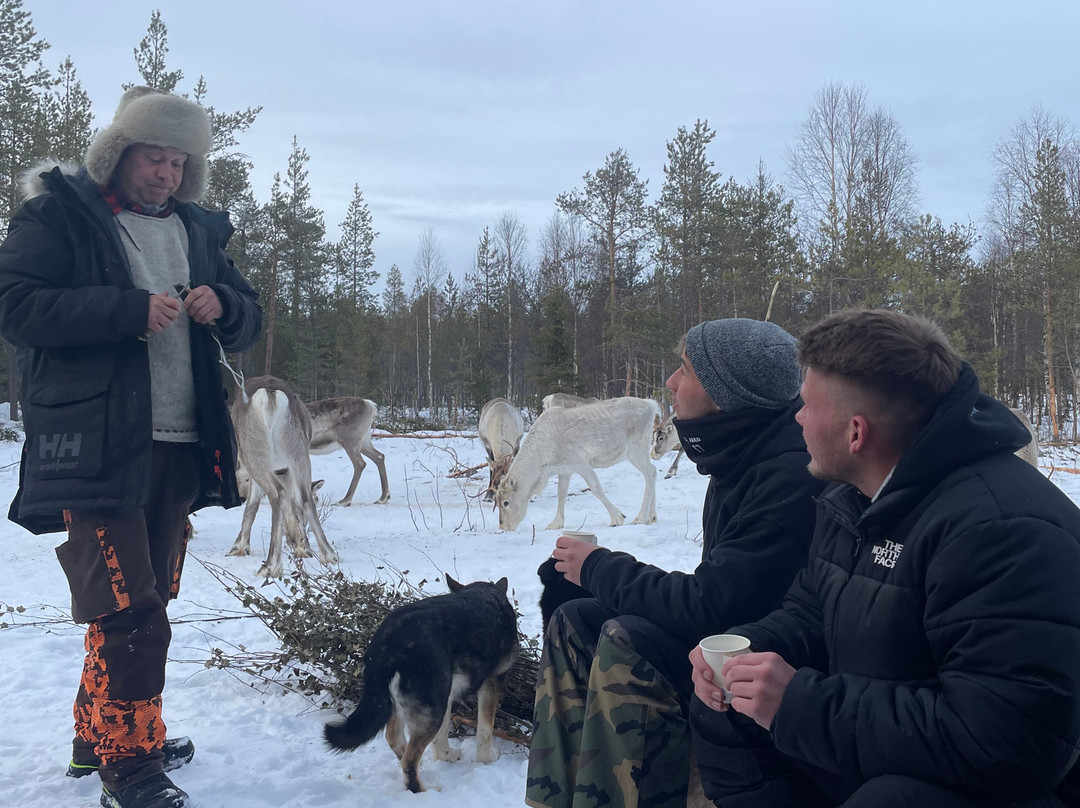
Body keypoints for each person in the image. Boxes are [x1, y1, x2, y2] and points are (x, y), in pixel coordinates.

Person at [688, 309, 1080, 808]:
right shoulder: (852, 498)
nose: (797, 418)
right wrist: (746, 653)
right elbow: (811, 611)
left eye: (806, 406)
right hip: (883, 737)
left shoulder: (1003, 533)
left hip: (996, 782)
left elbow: (1004, 743)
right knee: (725, 709)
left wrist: (800, 704)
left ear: (856, 433)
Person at [0, 87, 262, 808]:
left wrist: (227, 306)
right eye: (155, 157)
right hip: (95, 448)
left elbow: (249, 319)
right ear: (118, 154)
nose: (167, 175)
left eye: (180, 162)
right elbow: (14, 304)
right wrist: (124, 310)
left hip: (180, 445)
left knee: (146, 598)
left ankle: (103, 736)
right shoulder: (60, 215)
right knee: (129, 608)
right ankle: (131, 763)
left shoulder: (199, 230)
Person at [525, 319, 828, 808]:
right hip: (728, 640)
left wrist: (601, 568)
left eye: (685, 370)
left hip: (762, 671)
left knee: (627, 641)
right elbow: (722, 590)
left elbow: (715, 608)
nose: (670, 382)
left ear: (726, 393)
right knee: (573, 620)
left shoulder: (787, 477)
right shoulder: (740, 454)